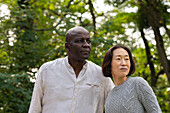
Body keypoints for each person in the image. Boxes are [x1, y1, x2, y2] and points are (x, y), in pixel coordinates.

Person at [28, 26, 114, 113]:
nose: (86, 45)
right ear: (67, 46)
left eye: (88, 41)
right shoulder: (47, 70)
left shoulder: (101, 75)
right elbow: (35, 108)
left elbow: (116, 104)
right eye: (79, 41)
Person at [102, 44, 162, 113]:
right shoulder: (109, 97)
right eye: (118, 59)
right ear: (109, 64)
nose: (124, 63)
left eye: (127, 59)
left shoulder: (138, 83)